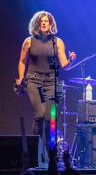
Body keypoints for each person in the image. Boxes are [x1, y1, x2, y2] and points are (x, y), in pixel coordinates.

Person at [15, 11, 76, 149]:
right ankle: (35, 151)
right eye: (41, 21)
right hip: (33, 80)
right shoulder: (29, 41)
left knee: (50, 119)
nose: (43, 23)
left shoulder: (57, 42)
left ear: (50, 24)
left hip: (51, 82)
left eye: (46, 21)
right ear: (37, 24)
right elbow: (22, 62)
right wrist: (20, 78)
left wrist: (71, 60)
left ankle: (50, 152)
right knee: (40, 115)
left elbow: (64, 65)